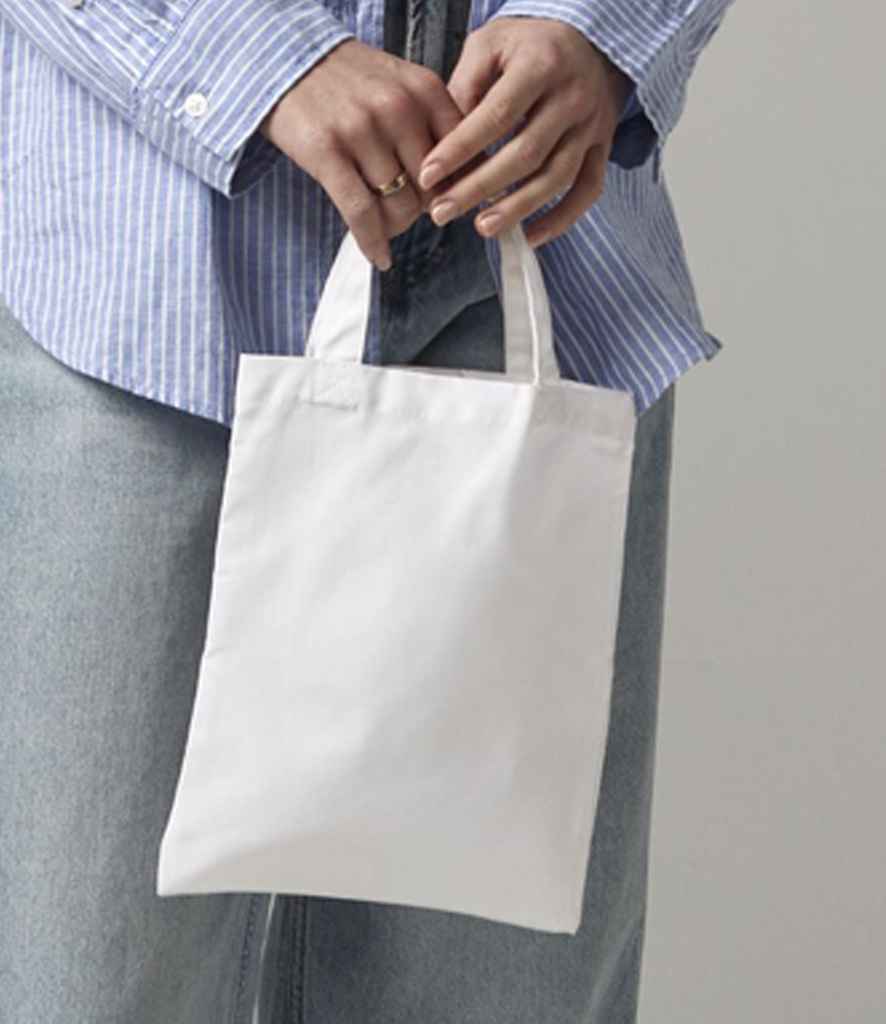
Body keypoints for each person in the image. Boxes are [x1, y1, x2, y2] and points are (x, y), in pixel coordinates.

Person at [0, 0, 734, 1021]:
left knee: (504, 991)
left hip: (546, 259)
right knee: (88, 980)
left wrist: (603, 29)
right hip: (143, 272)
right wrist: (254, 54)